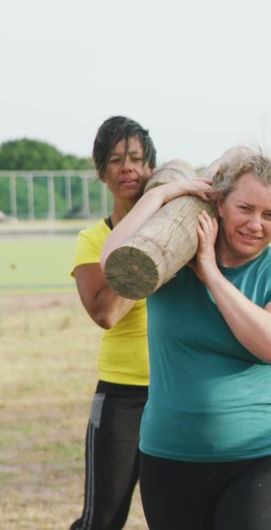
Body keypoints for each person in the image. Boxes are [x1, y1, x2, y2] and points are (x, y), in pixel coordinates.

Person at [101, 147, 271, 530]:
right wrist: (161, 194)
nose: (255, 225)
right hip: (168, 456)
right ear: (218, 204)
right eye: (245, 209)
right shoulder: (168, 262)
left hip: (256, 459)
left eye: (270, 215)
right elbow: (113, 263)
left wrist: (212, 275)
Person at [71, 116, 157, 530]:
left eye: (137, 159)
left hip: (179, 394)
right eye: (117, 160)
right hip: (122, 396)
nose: (128, 168)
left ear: (151, 169)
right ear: (101, 172)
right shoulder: (93, 239)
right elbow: (105, 312)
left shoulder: (176, 232)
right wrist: (147, 254)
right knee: (102, 520)